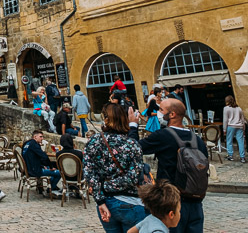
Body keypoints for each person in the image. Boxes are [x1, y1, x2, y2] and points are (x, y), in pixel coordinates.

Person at [129, 99, 207, 233]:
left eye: (161, 110)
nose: (158, 113)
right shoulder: (197, 139)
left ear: (172, 115)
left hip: (170, 201)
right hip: (195, 200)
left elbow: (133, 148)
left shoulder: (163, 135)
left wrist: (133, 126)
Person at [83, 103, 145, 232]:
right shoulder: (132, 144)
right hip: (131, 201)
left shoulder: (94, 141)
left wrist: (100, 197)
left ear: (105, 119)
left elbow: (90, 174)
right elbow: (133, 177)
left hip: (107, 201)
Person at [22, 129, 62, 197]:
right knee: (59, 173)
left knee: (49, 167)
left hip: (28, 168)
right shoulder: (34, 145)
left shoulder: (26, 143)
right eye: (40, 137)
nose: (42, 139)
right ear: (35, 137)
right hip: (35, 170)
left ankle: (52, 186)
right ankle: (50, 189)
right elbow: (44, 156)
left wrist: (44, 165)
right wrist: (51, 167)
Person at [223, 95, 247, 163]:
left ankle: (230, 155)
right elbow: (242, 119)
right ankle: (242, 157)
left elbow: (225, 119)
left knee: (229, 141)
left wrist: (224, 129)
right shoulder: (239, 108)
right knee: (240, 142)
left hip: (231, 126)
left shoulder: (226, 108)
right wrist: (243, 128)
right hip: (239, 126)